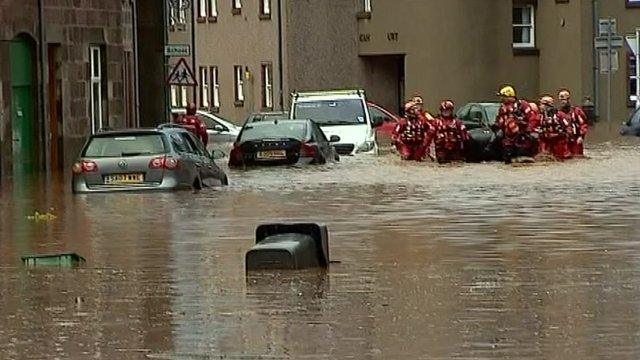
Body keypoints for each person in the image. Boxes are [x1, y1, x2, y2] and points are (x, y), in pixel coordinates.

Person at [493, 85, 539, 163]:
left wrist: (528, 129)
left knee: (521, 159)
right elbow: (499, 119)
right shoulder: (502, 107)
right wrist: (497, 127)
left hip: (522, 137)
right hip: (508, 138)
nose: (501, 98)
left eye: (502, 96)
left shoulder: (522, 105)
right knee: (507, 158)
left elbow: (532, 118)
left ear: (509, 96)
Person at [537, 95, 571, 160]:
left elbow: (568, 128)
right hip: (545, 142)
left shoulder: (560, 115)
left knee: (560, 158)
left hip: (559, 142)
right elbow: (533, 127)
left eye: (541, 104)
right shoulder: (540, 117)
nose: (540, 106)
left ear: (548, 105)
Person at [557, 89, 588, 157]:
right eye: (561, 100)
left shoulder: (576, 111)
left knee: (577, 157)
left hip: (575, 139)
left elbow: (583, 124)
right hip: (564, 140)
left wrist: (581, 136)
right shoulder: (558, 113)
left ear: (568, 99)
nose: (562, 101)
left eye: (564, 99)